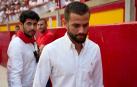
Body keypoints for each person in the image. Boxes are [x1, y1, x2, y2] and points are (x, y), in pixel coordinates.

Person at [33, 1, 104, 87]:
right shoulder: (50, 51)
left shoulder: (94, 49)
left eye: (85, 25)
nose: (81, 30)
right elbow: (38, 84)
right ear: (65, 24)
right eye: (76, 26)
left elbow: (98, 84)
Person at [7, 10, 40, 87]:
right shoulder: (16, 44)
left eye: (35, 24)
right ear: (21, 25)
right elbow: (14, 75)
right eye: (29, 24)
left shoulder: (33, 39)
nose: (32, 27)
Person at [36, 18, 55, 87]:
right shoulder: (39, 36)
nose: (39, 26)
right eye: (38, 25)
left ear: (46, 25)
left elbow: (39, 51)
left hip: (47, 66)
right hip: (42, 65)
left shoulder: (49, 35)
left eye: (41, 24)